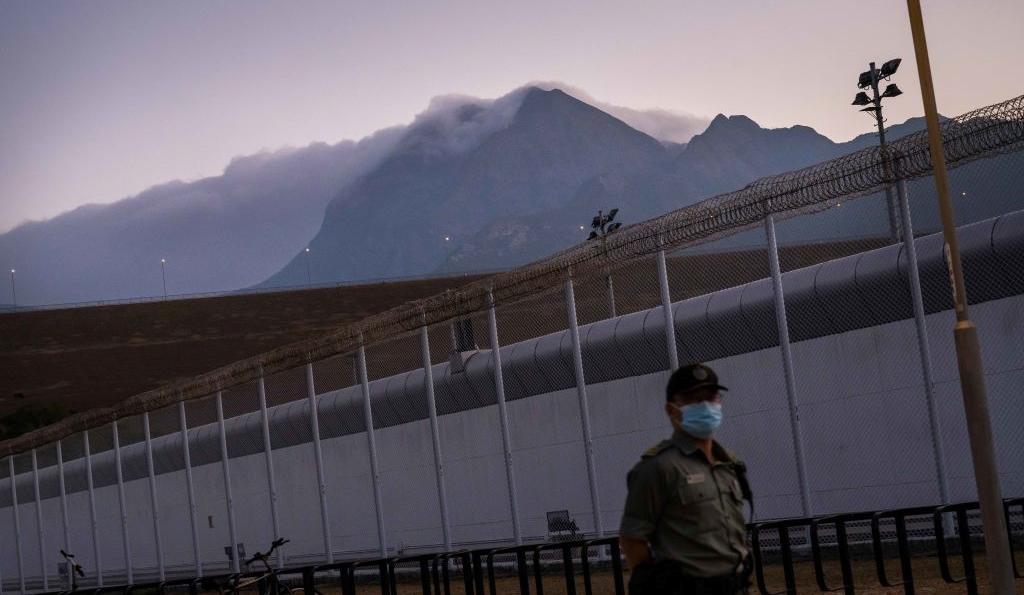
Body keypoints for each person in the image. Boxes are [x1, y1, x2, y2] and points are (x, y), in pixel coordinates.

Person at [619, 363, 751, 595]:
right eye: (694, 400)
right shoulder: (658, 468)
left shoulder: (728, 465)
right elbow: (632, 538)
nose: (706, 406)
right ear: (672, 411)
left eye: (712, 397)